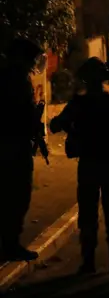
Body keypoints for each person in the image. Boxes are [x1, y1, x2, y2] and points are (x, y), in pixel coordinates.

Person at [50, 58, 109, 274]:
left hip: (88, 163)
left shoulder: (78, 104)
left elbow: (54, 125)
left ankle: (88, 261)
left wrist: (73, 129)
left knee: (88, 213)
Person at [0, 38, 45, 262]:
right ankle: (10, 244)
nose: (33, 64)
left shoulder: (11, 77)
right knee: (16, 196)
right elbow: (21, 114)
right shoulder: (16, 80)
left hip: (13, 142)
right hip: (14, 144)